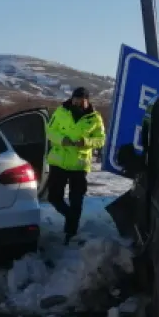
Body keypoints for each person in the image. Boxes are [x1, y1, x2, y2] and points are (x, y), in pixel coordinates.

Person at [45, 87, 105, 244]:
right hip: (59, 162)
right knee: (54, 197)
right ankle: (71, 217)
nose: (77, 102)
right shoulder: (61, 111)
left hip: (79, 165)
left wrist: (86, 142)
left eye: (81, 100)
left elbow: (101, 139)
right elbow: (49, 131)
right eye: (75, 99)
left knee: (76, 200)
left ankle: (70, 233)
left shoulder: (95, 118)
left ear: (87, 100)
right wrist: (61, 139)